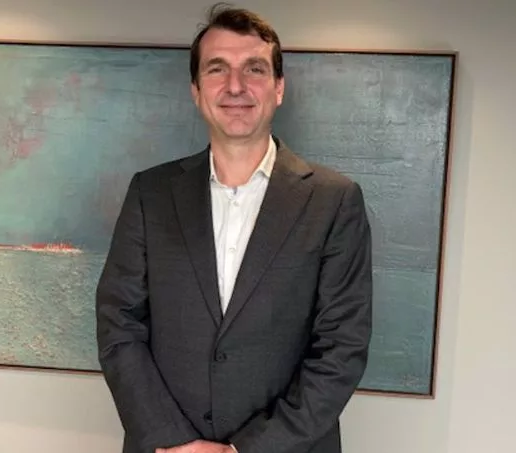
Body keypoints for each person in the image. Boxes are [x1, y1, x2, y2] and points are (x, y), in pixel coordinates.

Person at [95, 4, 373, 453]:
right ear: (195, 89)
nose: (236, 86)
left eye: (255, 69)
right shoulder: (150, 193)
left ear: (279, 88)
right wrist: (174, 441)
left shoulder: (334, 201)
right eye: (217, 68)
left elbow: (341, 350)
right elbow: (118, 325)